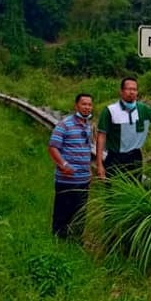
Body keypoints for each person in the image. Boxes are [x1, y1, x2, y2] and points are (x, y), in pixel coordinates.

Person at [96, 77, 151, 179]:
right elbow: (101, 137)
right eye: (128, 89)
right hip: (115, 158)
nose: (132, 92)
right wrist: (99, 165)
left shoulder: (143, 109)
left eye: (134, 89)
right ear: (121, 91)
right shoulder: (110, 111)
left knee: (134, 189)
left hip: (135, 157)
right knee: (113, 190)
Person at [47, 93, 94, 238]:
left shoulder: (88, 126)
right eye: (84, 104)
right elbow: (53, 147)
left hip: (83, 180)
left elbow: (87, 149)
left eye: (89, 105)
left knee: (80, 214)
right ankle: (58, 243)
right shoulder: (64, 124)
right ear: (76, 106)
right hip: (66, 180)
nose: (87, 107)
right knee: (62, 214)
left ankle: (75, 242)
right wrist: (64, 164)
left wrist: (89, 171)